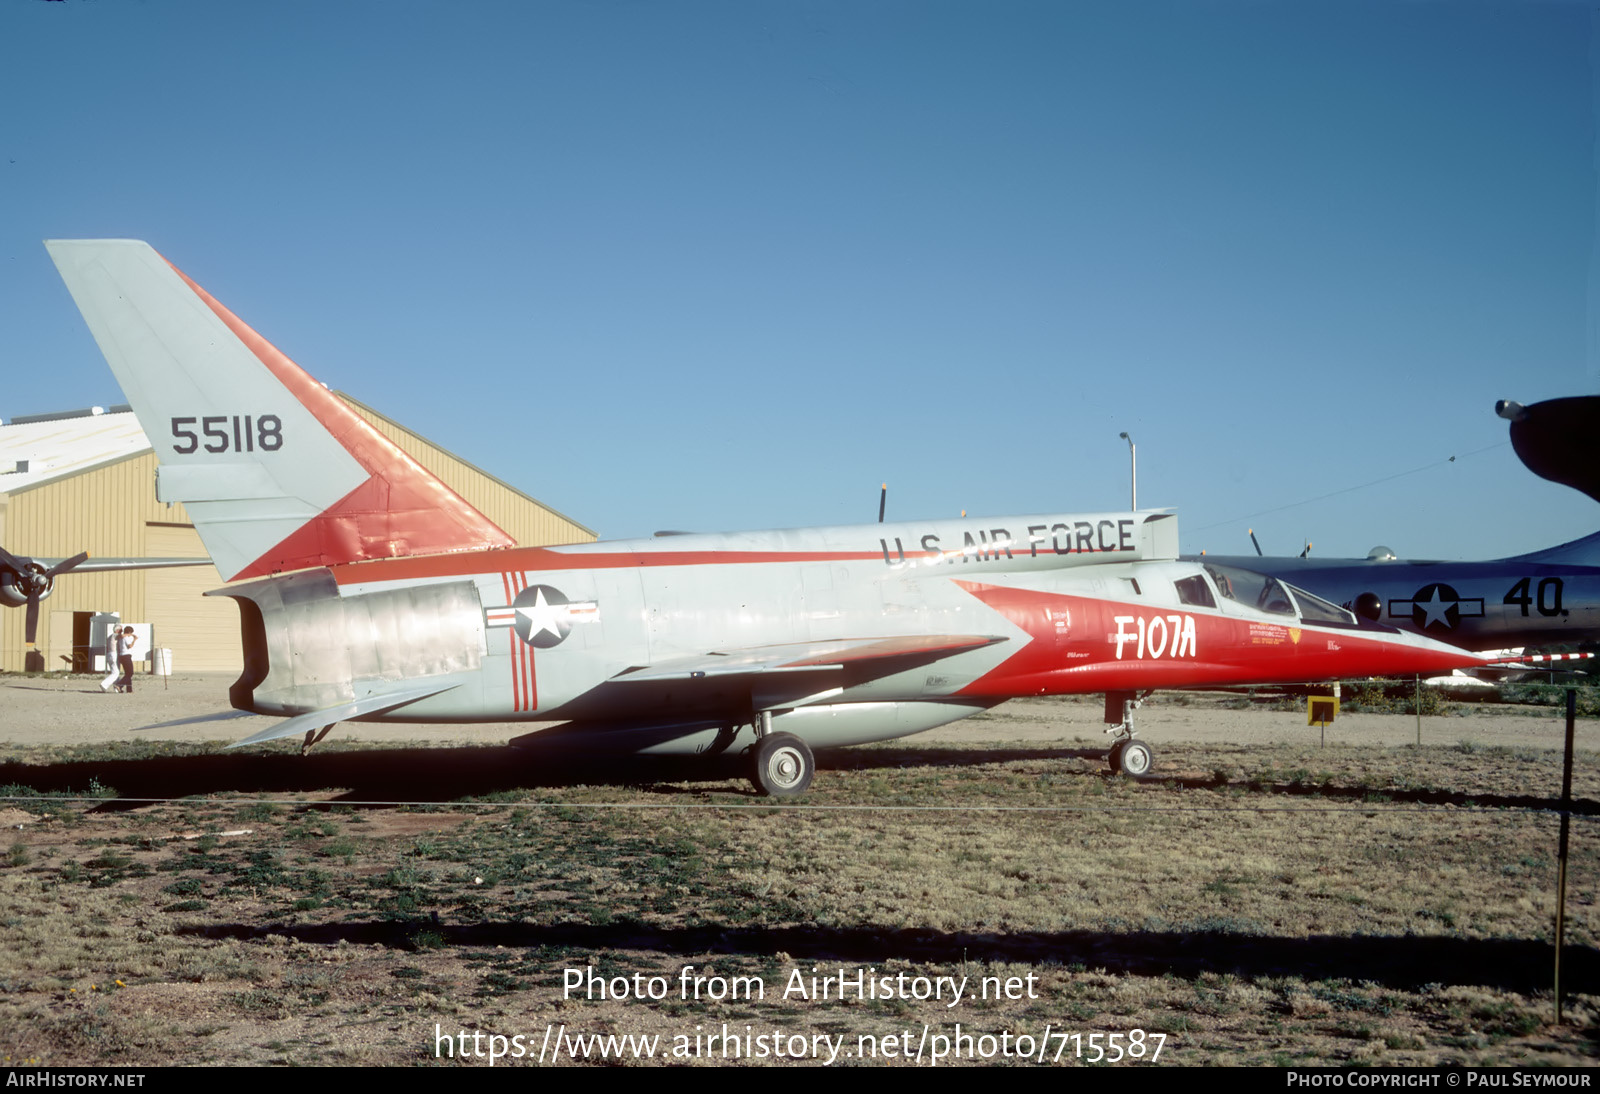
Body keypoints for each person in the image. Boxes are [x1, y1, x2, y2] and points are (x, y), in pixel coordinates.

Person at [116, 626, 138, 694]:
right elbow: (130, 646)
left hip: (122, 656)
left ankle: (129, 689)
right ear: (129, 632)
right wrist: (134, 640)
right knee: (130, 673)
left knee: (127, 673)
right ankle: (119, 685)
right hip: (126, 656)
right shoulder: (126, 638)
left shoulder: (121, 638)